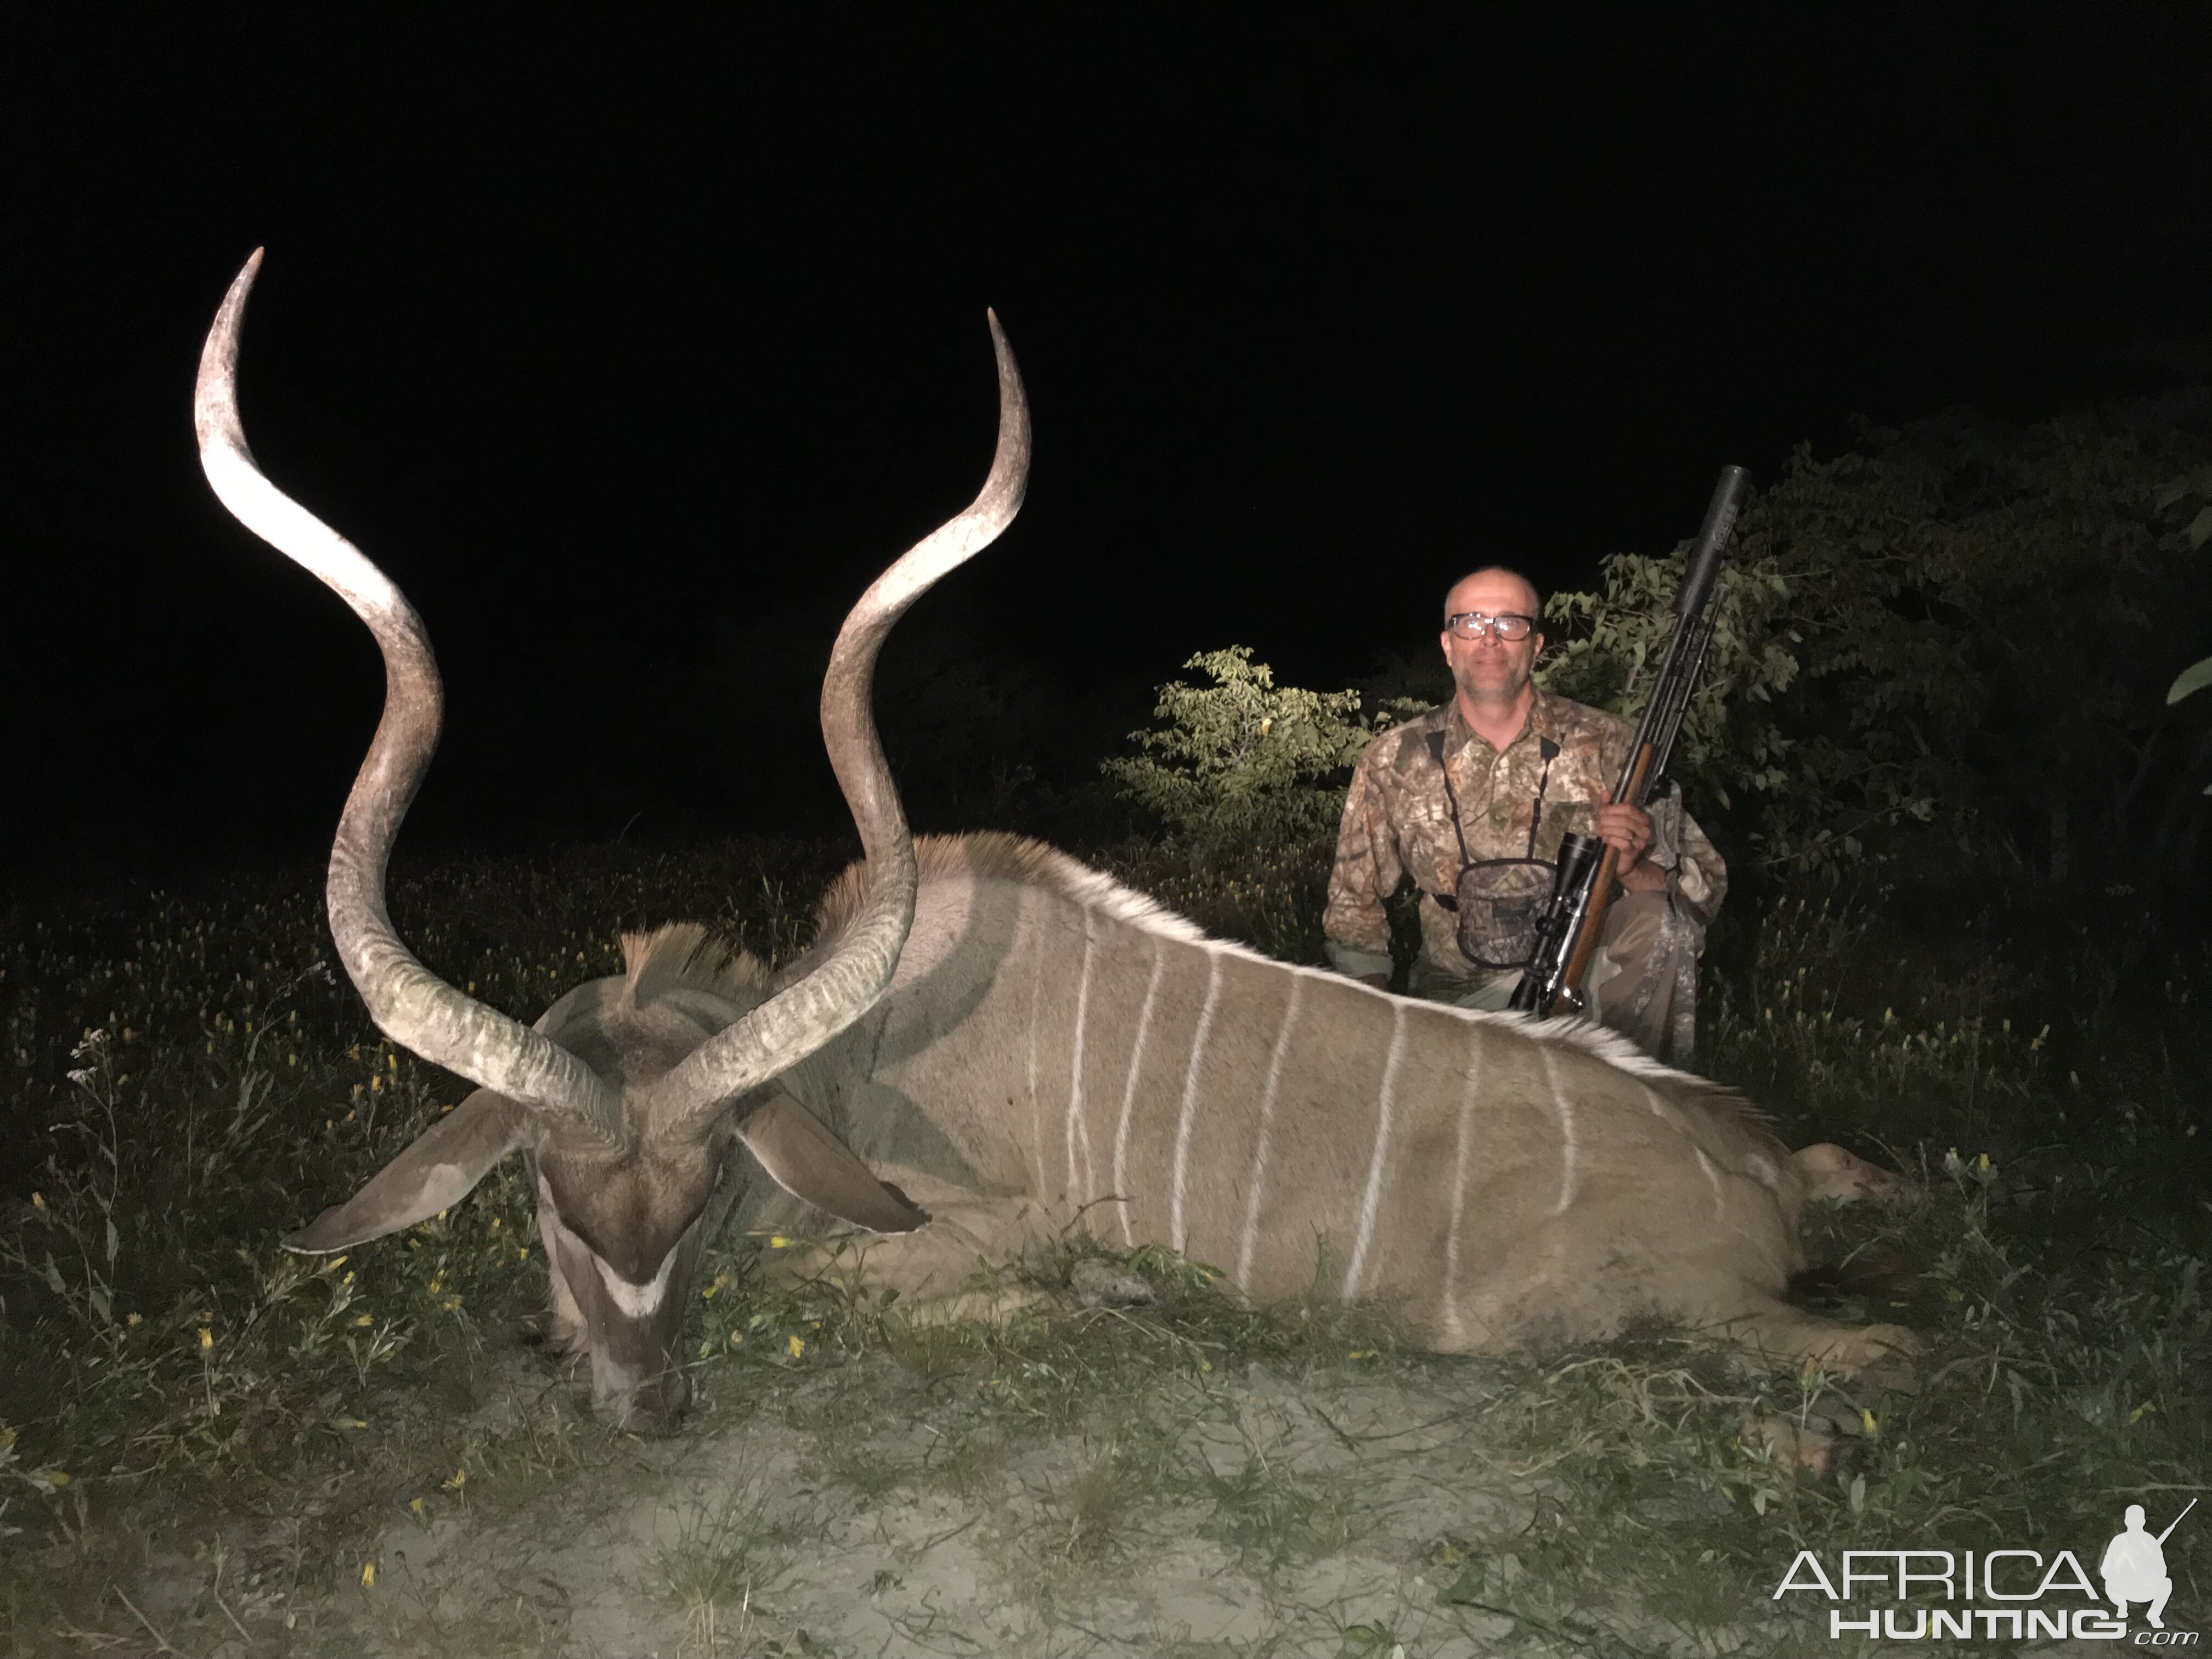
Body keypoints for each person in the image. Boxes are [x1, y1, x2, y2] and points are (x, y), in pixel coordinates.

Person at [1323, 566, 1726, 1062]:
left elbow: (1705, 891)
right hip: (1455, 1008)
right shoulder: (1391, 757)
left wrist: (1636, 869)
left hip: (1582, 986)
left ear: (1536, 646)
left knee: (1658, 921)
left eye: (1510, 623)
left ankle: (1638, 1099)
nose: (1490, 639)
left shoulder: (1611, 745)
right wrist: (1377, 1027)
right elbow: (1353, 911)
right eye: (1471, 623)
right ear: (1447, 645)